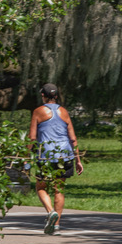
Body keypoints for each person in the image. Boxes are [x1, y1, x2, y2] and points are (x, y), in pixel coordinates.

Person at [28, 83, 83, 234]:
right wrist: (78, 160)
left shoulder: (38, 111)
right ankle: (56, 226)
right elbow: (73, 138)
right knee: (59, 189)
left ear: (43, 96)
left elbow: (32, 137)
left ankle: (51, 211)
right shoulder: (64, 112)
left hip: (46, 155)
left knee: (41, 187)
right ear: (57, 96)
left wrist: (26, 157)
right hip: (65, 155)